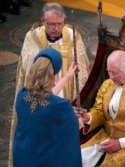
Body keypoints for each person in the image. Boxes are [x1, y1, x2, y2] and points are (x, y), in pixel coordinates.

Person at [9, 2, 90, 165]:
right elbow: (27, 68)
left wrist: (67, 77)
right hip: (56, 107)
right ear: (42, 21)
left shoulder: (74, 36)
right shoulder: (32, 38)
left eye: (60, 24)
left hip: (55, 100)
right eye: (52, 24)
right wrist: (81, 120)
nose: (56, 28)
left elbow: (83, 70)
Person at [13, 48, 82, 167]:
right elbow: (75, 128)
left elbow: (45, 99)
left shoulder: (22, 96)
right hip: (45, 161)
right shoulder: (61, 106)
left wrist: (67, 77)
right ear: (54, 76)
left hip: (23, 158)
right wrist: (78, 119)